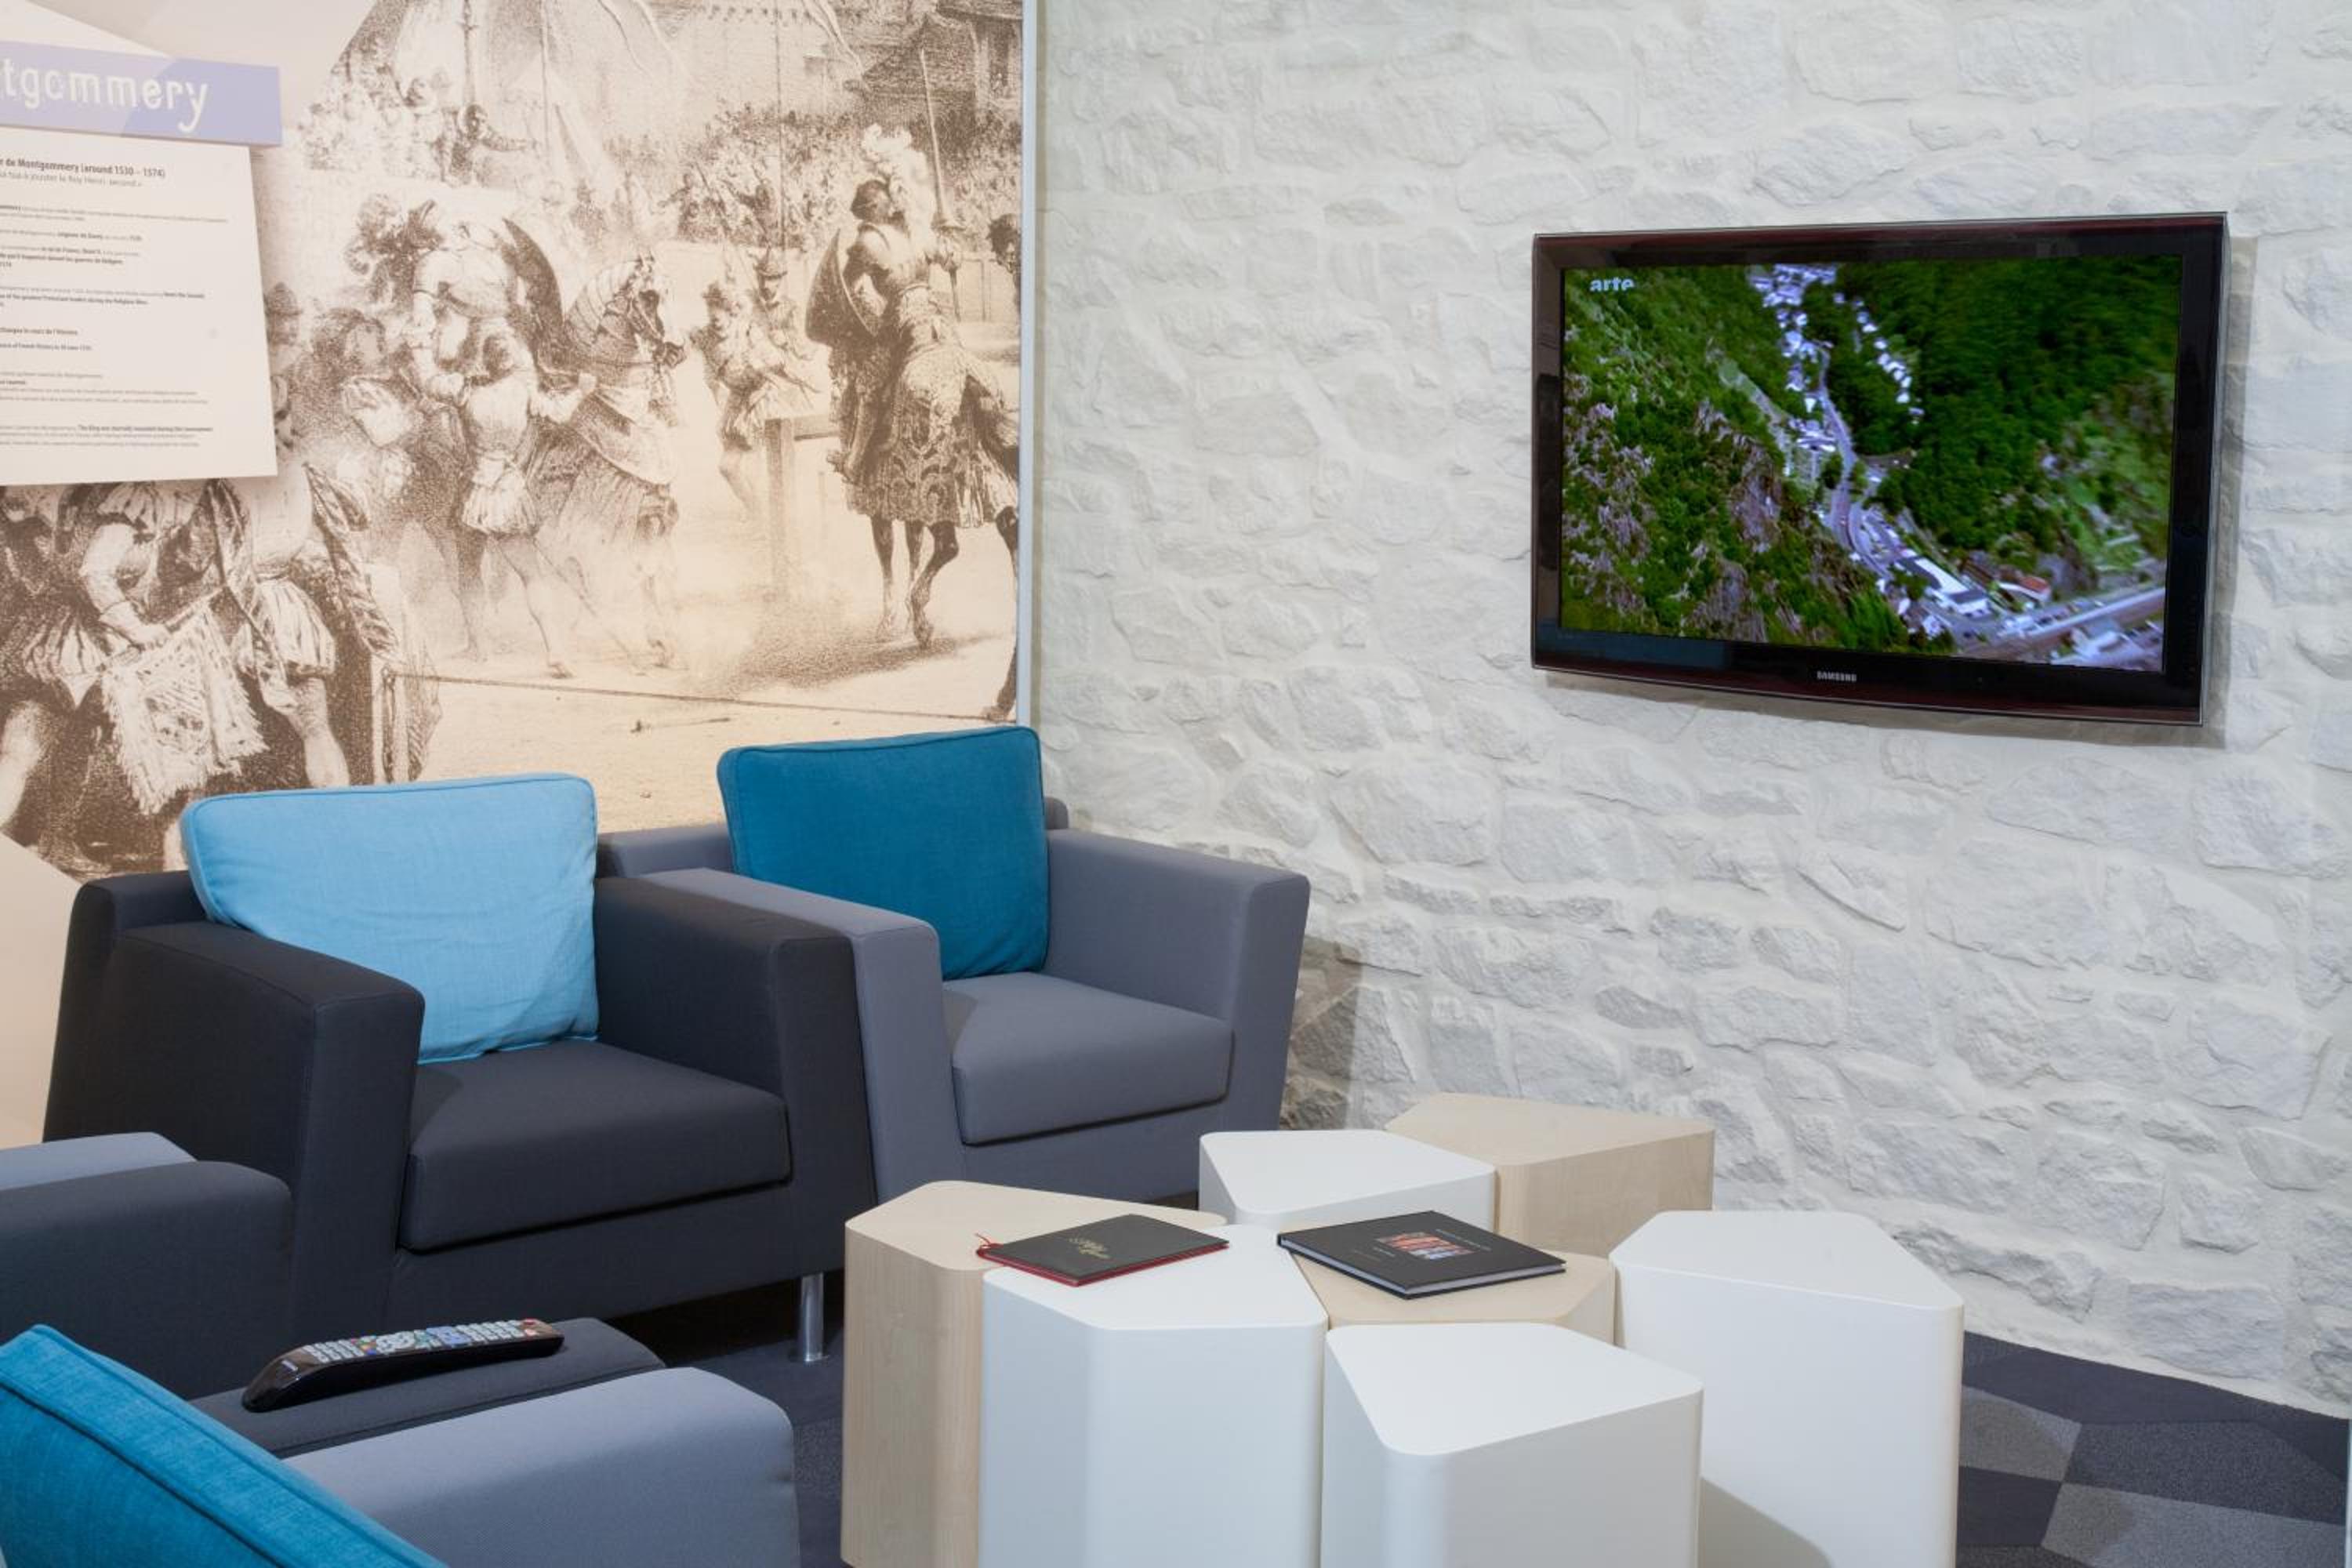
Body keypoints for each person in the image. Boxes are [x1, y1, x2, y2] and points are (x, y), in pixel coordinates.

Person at [413, 331, 596, 677]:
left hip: (475, 494)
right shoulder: (524, 392)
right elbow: (559, 414)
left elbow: (427, 380)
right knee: (531, 575)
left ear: (487, 359)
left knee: (469, 571)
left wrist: (420, 341)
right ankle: (555, 649)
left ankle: (479, 648)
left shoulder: (465, 390)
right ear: (513, 361)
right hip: (508, 493)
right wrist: (581, 391)